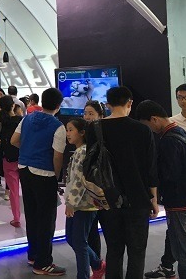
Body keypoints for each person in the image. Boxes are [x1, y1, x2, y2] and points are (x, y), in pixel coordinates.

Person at [85, 86, 158, 279]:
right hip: (138, 198)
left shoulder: (95, 128)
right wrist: (154, 199)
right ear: (130, 103)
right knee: (137, 251)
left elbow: (89, 165)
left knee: (114, 249)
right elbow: (151, 169)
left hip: (107, 198)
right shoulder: (142, 130)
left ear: (107, 104)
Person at [137, 100, 186, 279]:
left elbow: (170, 175)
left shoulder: (168, 141)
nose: (150, 130)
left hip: (179, 205)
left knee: (185, 253)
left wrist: (155, 187)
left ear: (154, 119)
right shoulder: (182, 132)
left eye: (148, 125)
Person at [10, 87, 66, 276]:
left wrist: (28, 150)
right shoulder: (58, 126)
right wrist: (56, 176)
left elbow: (14, 140)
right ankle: (43, 263)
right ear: (59, 105)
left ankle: (33, 255)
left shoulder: (27, 118)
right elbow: (58, 156)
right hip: (44, 173)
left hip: (24, 169)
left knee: (32, 215)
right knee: (46, 220)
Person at [64, 118, 106, 279]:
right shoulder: (79, 151)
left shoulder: (83, 152)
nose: (68, 133)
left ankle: (84, 275)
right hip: (77, 203)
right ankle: (97, 264)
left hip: (84, 204)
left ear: (82, 133)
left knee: (79, 242)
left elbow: (79, 181)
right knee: (72, 238)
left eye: (71, 130)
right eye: (67, 130)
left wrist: (70, 203)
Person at [82, 100, 107, 259]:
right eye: (85, 113)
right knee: (90, 229)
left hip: (103, 187)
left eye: (91, 114)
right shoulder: (82, 133)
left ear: (101, 115)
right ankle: (96, 262)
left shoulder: (105, 134)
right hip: (88, 189)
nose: (87, 117)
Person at [0, 95, 23, 227]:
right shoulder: (21, 121)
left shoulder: (0, 123)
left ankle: (16, 218)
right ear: (13, 106)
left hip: (8, 159)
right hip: (23, 159)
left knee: (13, 192)